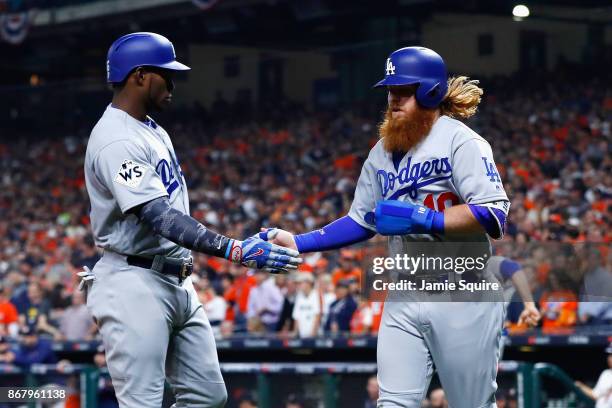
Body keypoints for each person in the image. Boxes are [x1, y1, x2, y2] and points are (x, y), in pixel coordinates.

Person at [265, 46, 510, 407]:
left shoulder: (461, 141)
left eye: (404, 91)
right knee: (392, 402)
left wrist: (424, 219)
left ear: (430, 92)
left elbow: (492, 214)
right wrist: (298, 242)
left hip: (464, 291)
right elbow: (360, 220)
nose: (393, 99)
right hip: (406, 291)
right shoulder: (381, 152)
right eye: (391, 91)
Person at [81, 32, 301, 408]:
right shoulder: (115, 138)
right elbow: (157, 216)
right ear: (139, 76)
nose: (173, 83)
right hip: (133, 281)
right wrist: (233, 249)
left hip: (176, 277)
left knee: (207, 396)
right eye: (166, 74)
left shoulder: (151, 128)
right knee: (142, 403)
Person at [575, 343, 612, 407]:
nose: (609, 358)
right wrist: (580, 386)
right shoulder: (606, 374)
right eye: (609, 355)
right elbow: (595, 395)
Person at [292, 273, 321, 338]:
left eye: (300, 283)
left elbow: (318, 315)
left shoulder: (316, 295)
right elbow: (296, 316)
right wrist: (295, 334)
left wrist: (313, 334)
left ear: (308, 283)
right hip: (302, 335)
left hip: (314, 335)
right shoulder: (299, 296)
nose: (298, 286)